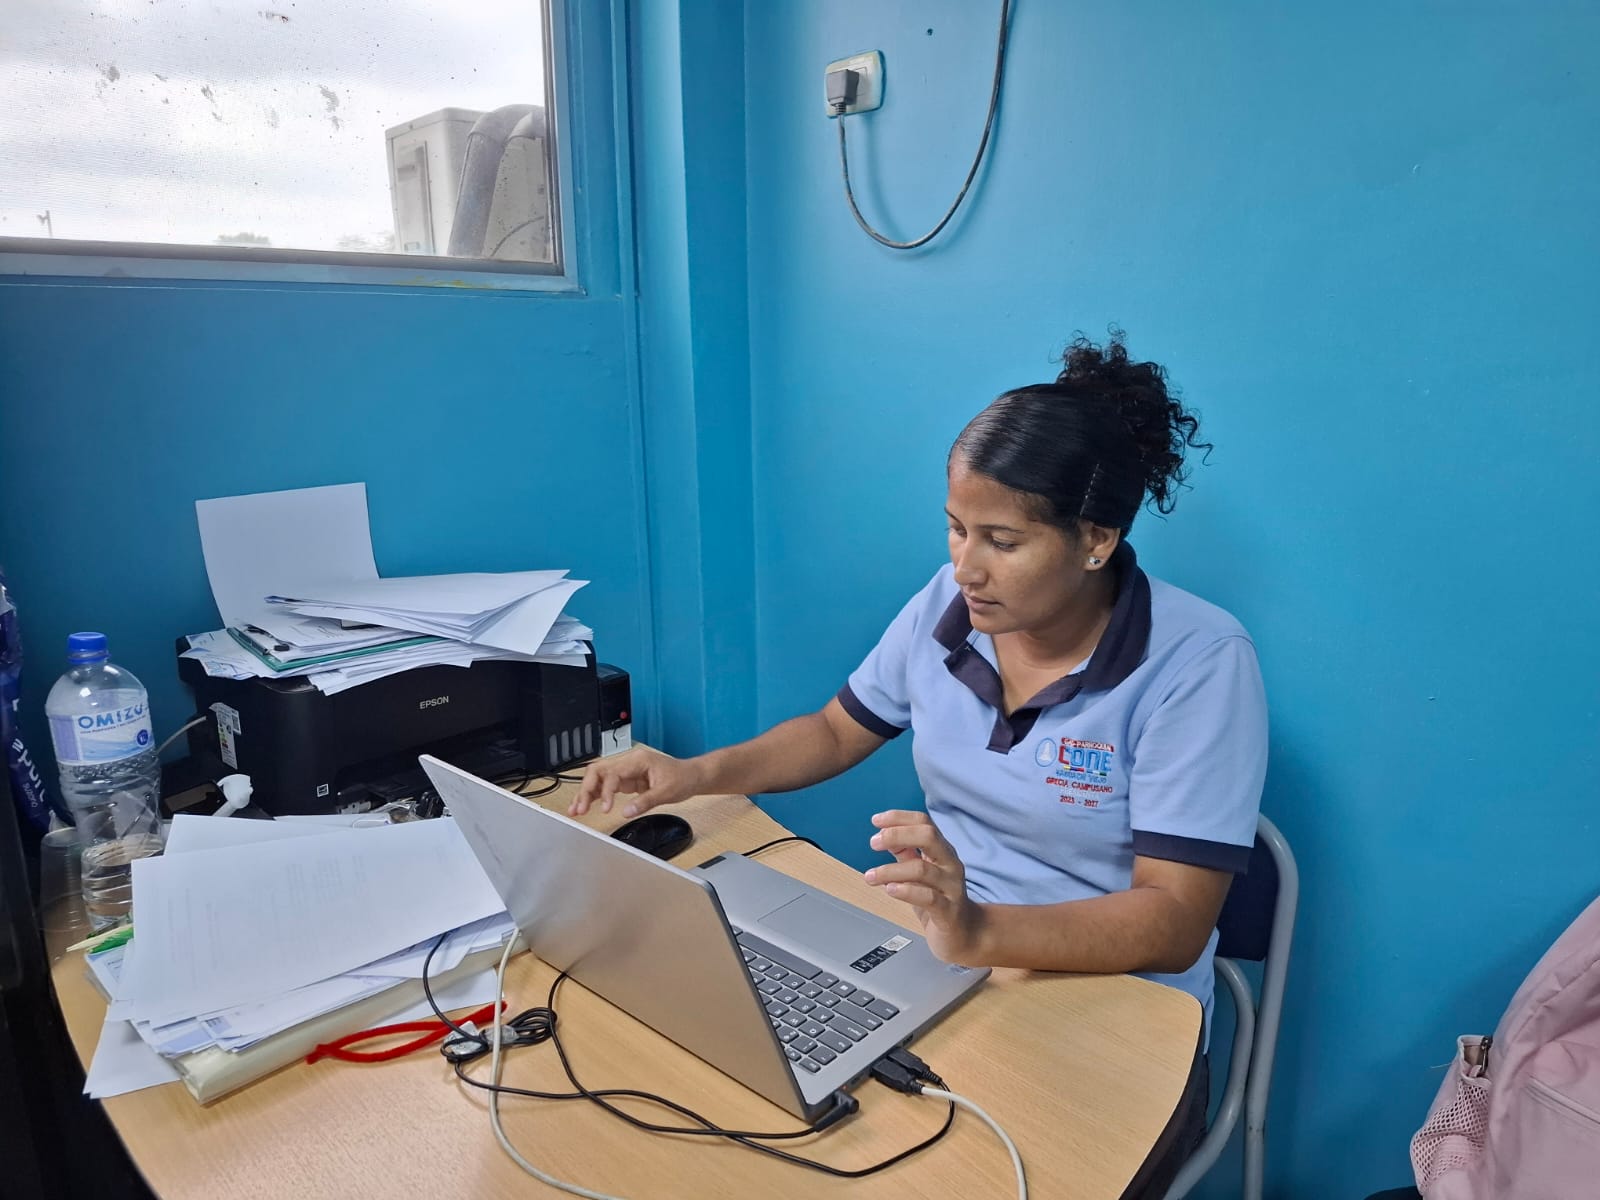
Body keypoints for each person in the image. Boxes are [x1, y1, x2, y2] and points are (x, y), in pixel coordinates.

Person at [571, 332, 1267, 1197]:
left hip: (1119, 1009)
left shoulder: (1199, 662)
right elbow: (836, 731)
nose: (964, 567)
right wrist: (693, 775)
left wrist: (981, 931)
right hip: (949, 955)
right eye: (955, 528)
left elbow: (1174, 922)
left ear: (1095, 538)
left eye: (1001, 540)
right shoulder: (950, 606)